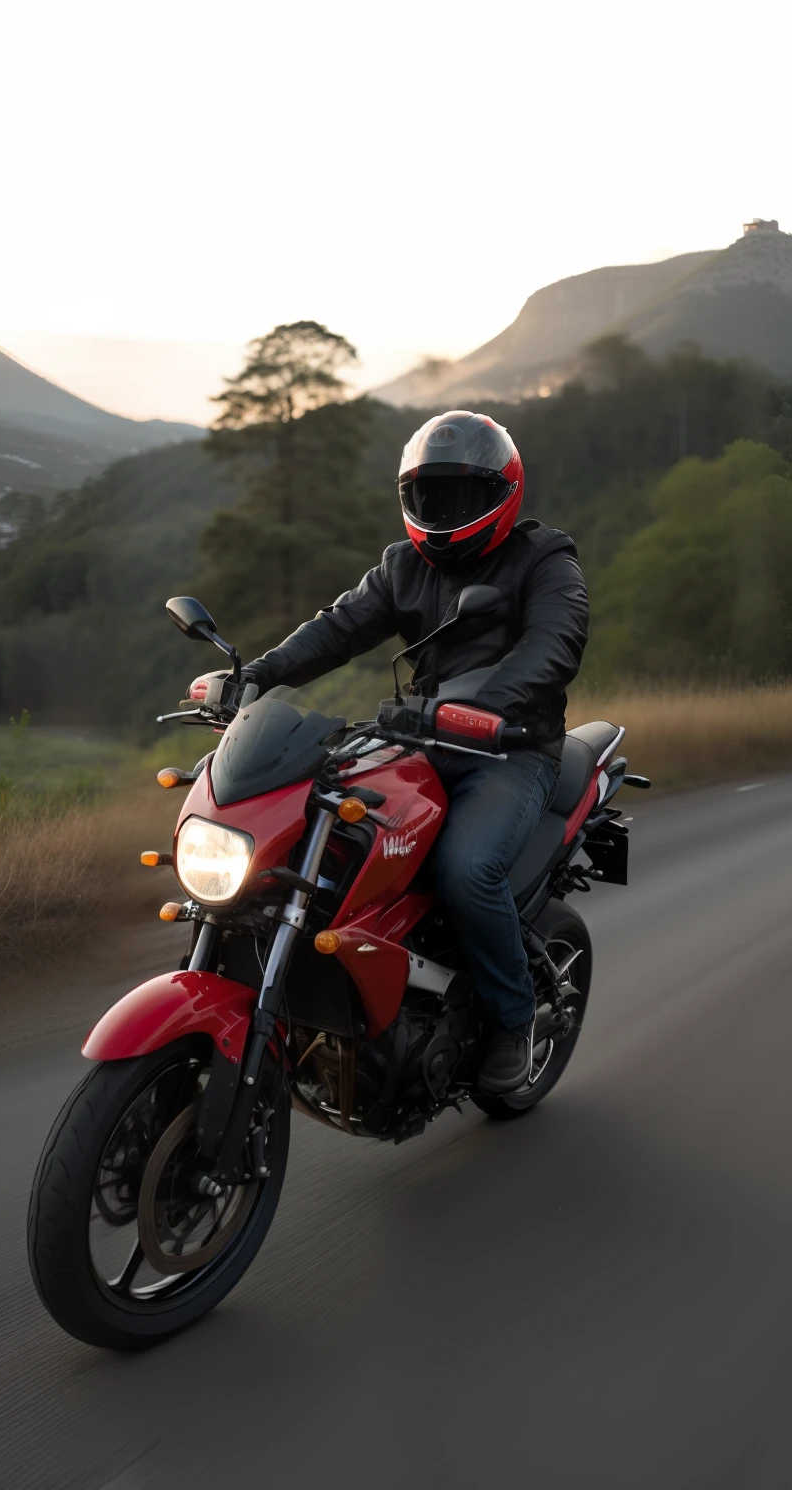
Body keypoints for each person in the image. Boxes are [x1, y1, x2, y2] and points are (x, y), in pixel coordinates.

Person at [238, 411, 588, 1093]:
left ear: (502, 492)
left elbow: (555, 644)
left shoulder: (545, 560)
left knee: (466, 870)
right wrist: (259, 673)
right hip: (418, 741)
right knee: (323, 837)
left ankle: (514, 1018)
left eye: (460, 494)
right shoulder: (404, 566)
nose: (443, 510)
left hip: (510, 751)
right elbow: (338, 629)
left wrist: (487, 710)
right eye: (429, 495)